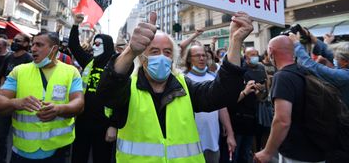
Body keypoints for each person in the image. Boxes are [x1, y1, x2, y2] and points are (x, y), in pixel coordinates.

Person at [97, 11, 253, 162]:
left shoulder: (186, 87)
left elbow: (223, 94)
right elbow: (107, 93)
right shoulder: (128, 88)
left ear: (173, 58)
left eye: (167, 52)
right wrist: (130, 51)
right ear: (142, 57)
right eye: (154, 51)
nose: (162, 57)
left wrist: (235, 41)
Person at [0, 31, 84, 163]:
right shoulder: (19, 71)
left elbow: (79, 103)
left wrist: (60, 109)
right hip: (22, 152)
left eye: (39, 45)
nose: (33, 48)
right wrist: (16, 103)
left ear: (54, 49)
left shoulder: (71, 72)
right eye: (33, 44)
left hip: (58, 150)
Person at [254, 35, 326, 163]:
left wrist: (267, 152)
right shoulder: (305, 71)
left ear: (271, 51)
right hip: (317, 149)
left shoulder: (283, 77)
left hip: (296, 154)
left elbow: (282, 120)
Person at [68, 13, 118, 163]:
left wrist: (114, 125)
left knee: (101, 158)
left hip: (104, 124)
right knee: (78, 156)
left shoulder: (116, 66)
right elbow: (74, 46)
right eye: (94, 44)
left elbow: (121, 99)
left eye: (98, 44)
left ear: (107, 46)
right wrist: (75, 24)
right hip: (83, 119)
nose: (94, 47)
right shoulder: (89, 61)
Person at [185, 44, 236, 163]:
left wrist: (230, 133)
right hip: (190, 144)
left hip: (212, 141)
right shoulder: (183, 79)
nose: (202, 58)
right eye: (197, 56)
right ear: (188, 59)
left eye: (204, 55)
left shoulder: (213, 78)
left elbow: (221, 107)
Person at [0, 33, 33, 163]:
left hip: (22, 104)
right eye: (14, 40)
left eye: (18, 41)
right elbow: (3, 75)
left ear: (26, 44)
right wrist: (1, 91)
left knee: (21, 135)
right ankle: (1, 158)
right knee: (0, 135)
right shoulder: (9, 57)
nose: (14, 42)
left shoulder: (29, 59)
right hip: (7, 102)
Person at [289, 32, 349, 107]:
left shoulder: (344, 76)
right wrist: (312, 37)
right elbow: (329, 53)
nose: (335, 58)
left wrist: (296, 44)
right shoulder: (345, 69)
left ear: (345, 62)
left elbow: (311, 66)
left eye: (337, 57)